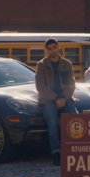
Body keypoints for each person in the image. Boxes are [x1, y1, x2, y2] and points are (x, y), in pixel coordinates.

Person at [35, 38, 78, 166]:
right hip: (48, 99)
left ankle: (73, 150)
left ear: (59, 47)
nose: (53, 50)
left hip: (65, 98)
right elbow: (40, 86)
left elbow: (72, 84)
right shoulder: (41, 65)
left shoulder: (67, 64)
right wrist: (55, 98)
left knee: (75, 119)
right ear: (47, 50)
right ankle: (56, 153)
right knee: (52, 123)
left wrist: (64, 98)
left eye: (54, 47)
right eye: (49, 48)